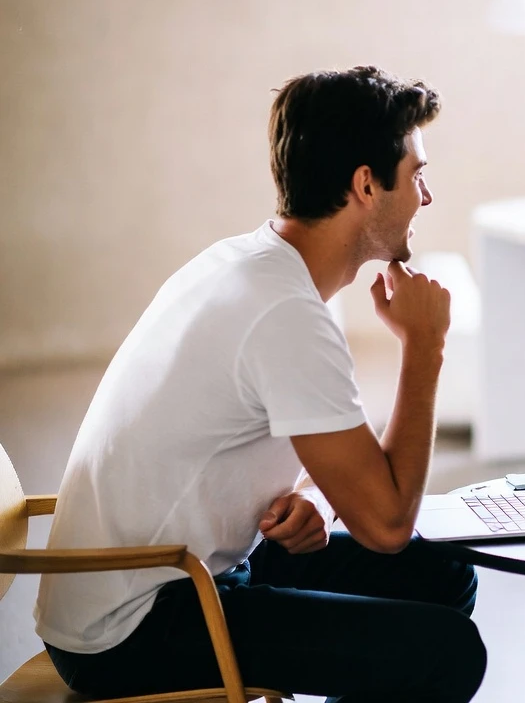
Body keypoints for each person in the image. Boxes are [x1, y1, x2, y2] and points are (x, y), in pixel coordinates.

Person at [35, 67, 487, 703]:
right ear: (365, 185)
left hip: (186, 572)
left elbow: (319, 465)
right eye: (417, 175)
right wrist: (425, 347)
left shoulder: (256, 266)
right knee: (446, 655)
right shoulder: (286, 312)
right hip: (134, 625)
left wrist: (313, 499)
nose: (427, 196)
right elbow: (385, 522)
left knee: (441, 573)